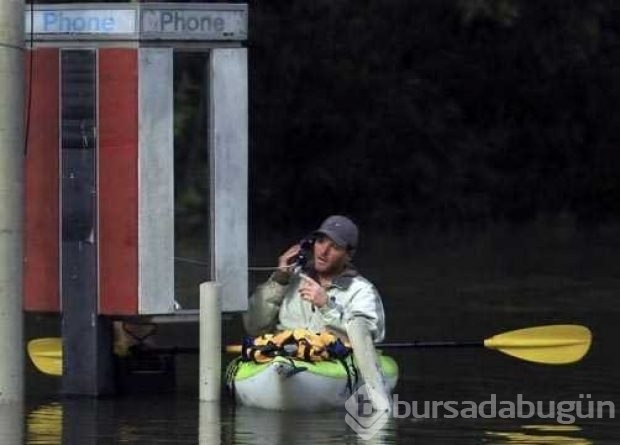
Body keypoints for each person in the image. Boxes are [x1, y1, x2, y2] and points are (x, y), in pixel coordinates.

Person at [243, 215, 385, 343]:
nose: (323, 252)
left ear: (349, 255)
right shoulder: (291, 278)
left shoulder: (362, 290)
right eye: (320, 241)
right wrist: (279, 281)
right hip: (284, 361)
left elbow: (369, 336)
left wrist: (326, 306)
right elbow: (253, 326)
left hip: (330, 364)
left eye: (334, 247)